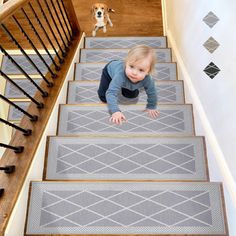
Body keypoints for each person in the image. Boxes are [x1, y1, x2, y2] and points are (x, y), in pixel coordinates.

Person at [97, 44, 160, 125]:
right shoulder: (120, 75)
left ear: (148, 71)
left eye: (141, 70)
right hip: (109, 72)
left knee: (131, 95)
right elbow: (111, 93)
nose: (134, 73)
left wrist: (151, 106)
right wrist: (115, 111)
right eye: (131, 66)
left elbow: (152, 93)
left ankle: (127, 87)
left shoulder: (148, 80)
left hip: (126, 80)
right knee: (103, 95)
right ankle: (105, 98)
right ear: (126, 63)